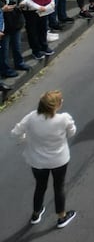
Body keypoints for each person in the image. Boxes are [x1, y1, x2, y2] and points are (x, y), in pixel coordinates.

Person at [10, 89, 77, 228]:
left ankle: (36, 213)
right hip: (59, 160)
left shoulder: (31, 118)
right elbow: (72, 132)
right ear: (56, 106)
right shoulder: (64, 119)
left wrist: (25, 138)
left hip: (37, 161)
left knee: (40, 187)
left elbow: (15, 133)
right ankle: (61, 217)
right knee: (59, 187)